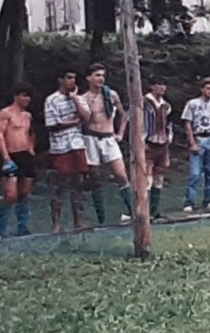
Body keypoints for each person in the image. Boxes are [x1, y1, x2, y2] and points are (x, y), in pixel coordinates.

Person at [81, 64, 132, 224]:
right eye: (97, 75)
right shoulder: (84, 98)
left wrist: (120, 133)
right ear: (89, 78)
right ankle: (101, 219)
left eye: (102, 75)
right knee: (96, 177)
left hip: (108, 137)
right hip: (91, 138)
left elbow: (123, 115)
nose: (101, 78)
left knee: (121, 174)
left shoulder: (110, 95)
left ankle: (133, 211)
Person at [44, 69, 90, 231]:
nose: (72, 81)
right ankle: (56, 223)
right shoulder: (52, 100)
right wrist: (74, 122)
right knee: (60, 185)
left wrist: (75, 99)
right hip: (60, 147)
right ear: (60, 80)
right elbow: (52, 125)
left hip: (77, 145)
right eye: (69, 78)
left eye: (74, 78)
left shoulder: (79, 99)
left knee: (78, 184)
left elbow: (86, 117)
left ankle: (79, 221)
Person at [181, 77, 210, 212]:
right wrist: (192, 142)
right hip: (198, 137)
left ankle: (208, 200)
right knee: (195, 173)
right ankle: (190, 202)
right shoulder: (192, 104)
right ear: (202, 89)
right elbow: (187, 123)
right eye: (208, 88)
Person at [0, 86, 36, 237]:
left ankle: (23, 227)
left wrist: (31, 148)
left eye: (29, 96)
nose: (27, 99)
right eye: (24, 96)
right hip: (11, 155)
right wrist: (6, 157)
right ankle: (2, 228)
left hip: (25, 155)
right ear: (16, 96)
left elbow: (31, 133)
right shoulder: (6, 113)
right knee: (11, 195)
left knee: (24, 193)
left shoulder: (27, 116)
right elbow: (0, 135)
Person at [142, 77, 173, 219]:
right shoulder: (143, 102)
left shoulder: (166, 105)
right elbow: (133, 120)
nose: (162, 87)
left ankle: (154, 210)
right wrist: (140, 139)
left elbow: (169, 123)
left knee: (159, 175)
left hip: (162, 143)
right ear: (152, 86)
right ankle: (143, 210)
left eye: (164, 84)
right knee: (146, 176)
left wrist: (169, 136)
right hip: (148, 142)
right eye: (159, 84)